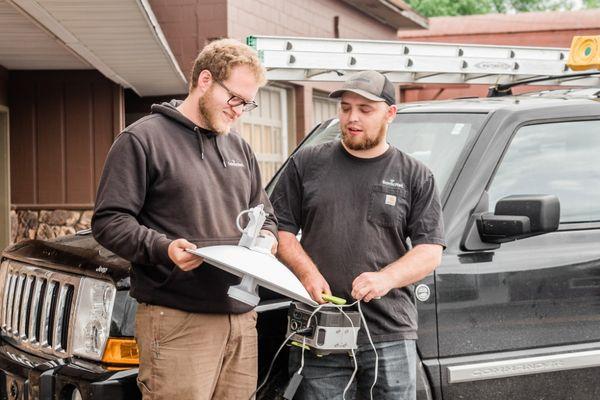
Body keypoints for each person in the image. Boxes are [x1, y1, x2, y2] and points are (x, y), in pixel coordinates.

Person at [92, 38, 277, 400]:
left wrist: (268, 238)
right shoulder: (142, 140)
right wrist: (164, 248)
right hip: (177, 321)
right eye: (235, 98)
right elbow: (109, 221)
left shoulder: (239, 148)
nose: (240, 110)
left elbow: (265, 213)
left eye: (248, 103)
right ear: (205, 81)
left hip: (241, 322)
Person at [271, 70, 445, 400]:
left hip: (389, 331)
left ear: (390, 113)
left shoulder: (414, 174)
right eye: (346, 108)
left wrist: (385, 279)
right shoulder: (307, 163)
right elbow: (280, 231)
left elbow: (430, 250)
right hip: (321, 327)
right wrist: (307, 274)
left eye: (365, 110)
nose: (352, 118)